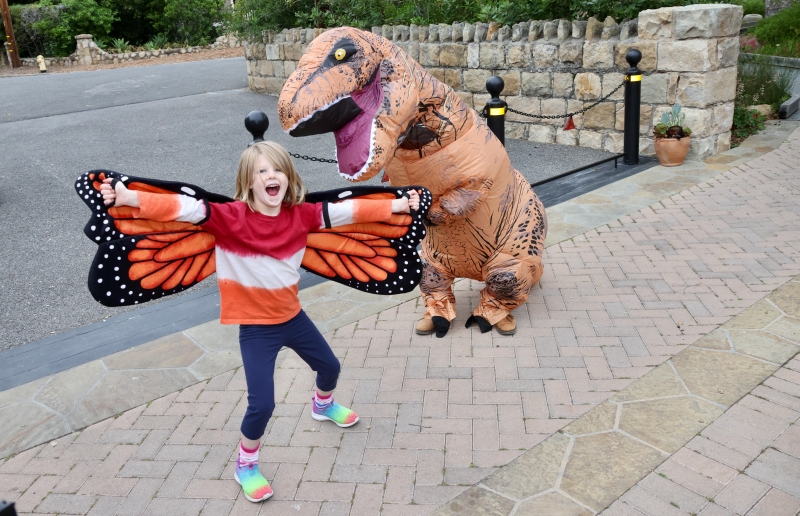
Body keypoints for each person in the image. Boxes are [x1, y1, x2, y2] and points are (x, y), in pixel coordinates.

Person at [100, 141, 420, 503]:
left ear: (289, 177)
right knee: (262, 404)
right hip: (255, 329)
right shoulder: (228, 217)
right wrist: (128, 199)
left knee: (330, 367)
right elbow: (182, 207)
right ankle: (246, 465)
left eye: (278, 170)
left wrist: (396, 205)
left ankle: (322, 405)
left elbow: (348, 211)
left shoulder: (302, 215)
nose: (272, 177)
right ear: (248, 182)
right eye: (262, 172)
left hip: (293, 318)